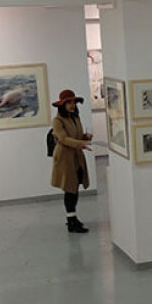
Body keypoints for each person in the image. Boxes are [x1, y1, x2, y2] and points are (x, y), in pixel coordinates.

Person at [50, 89, 93, 233]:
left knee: (74, 188)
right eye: (69, 102)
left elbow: (76, 135)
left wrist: (85, 137)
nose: (72, 105)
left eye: (74, 102)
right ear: (62, 105)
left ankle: (73, 218)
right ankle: (71, 221)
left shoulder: (75, 117)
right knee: (70, 188)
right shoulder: (57, 121)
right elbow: (63, 138)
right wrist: (81, 143)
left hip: (76, 156)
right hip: (65, 158)